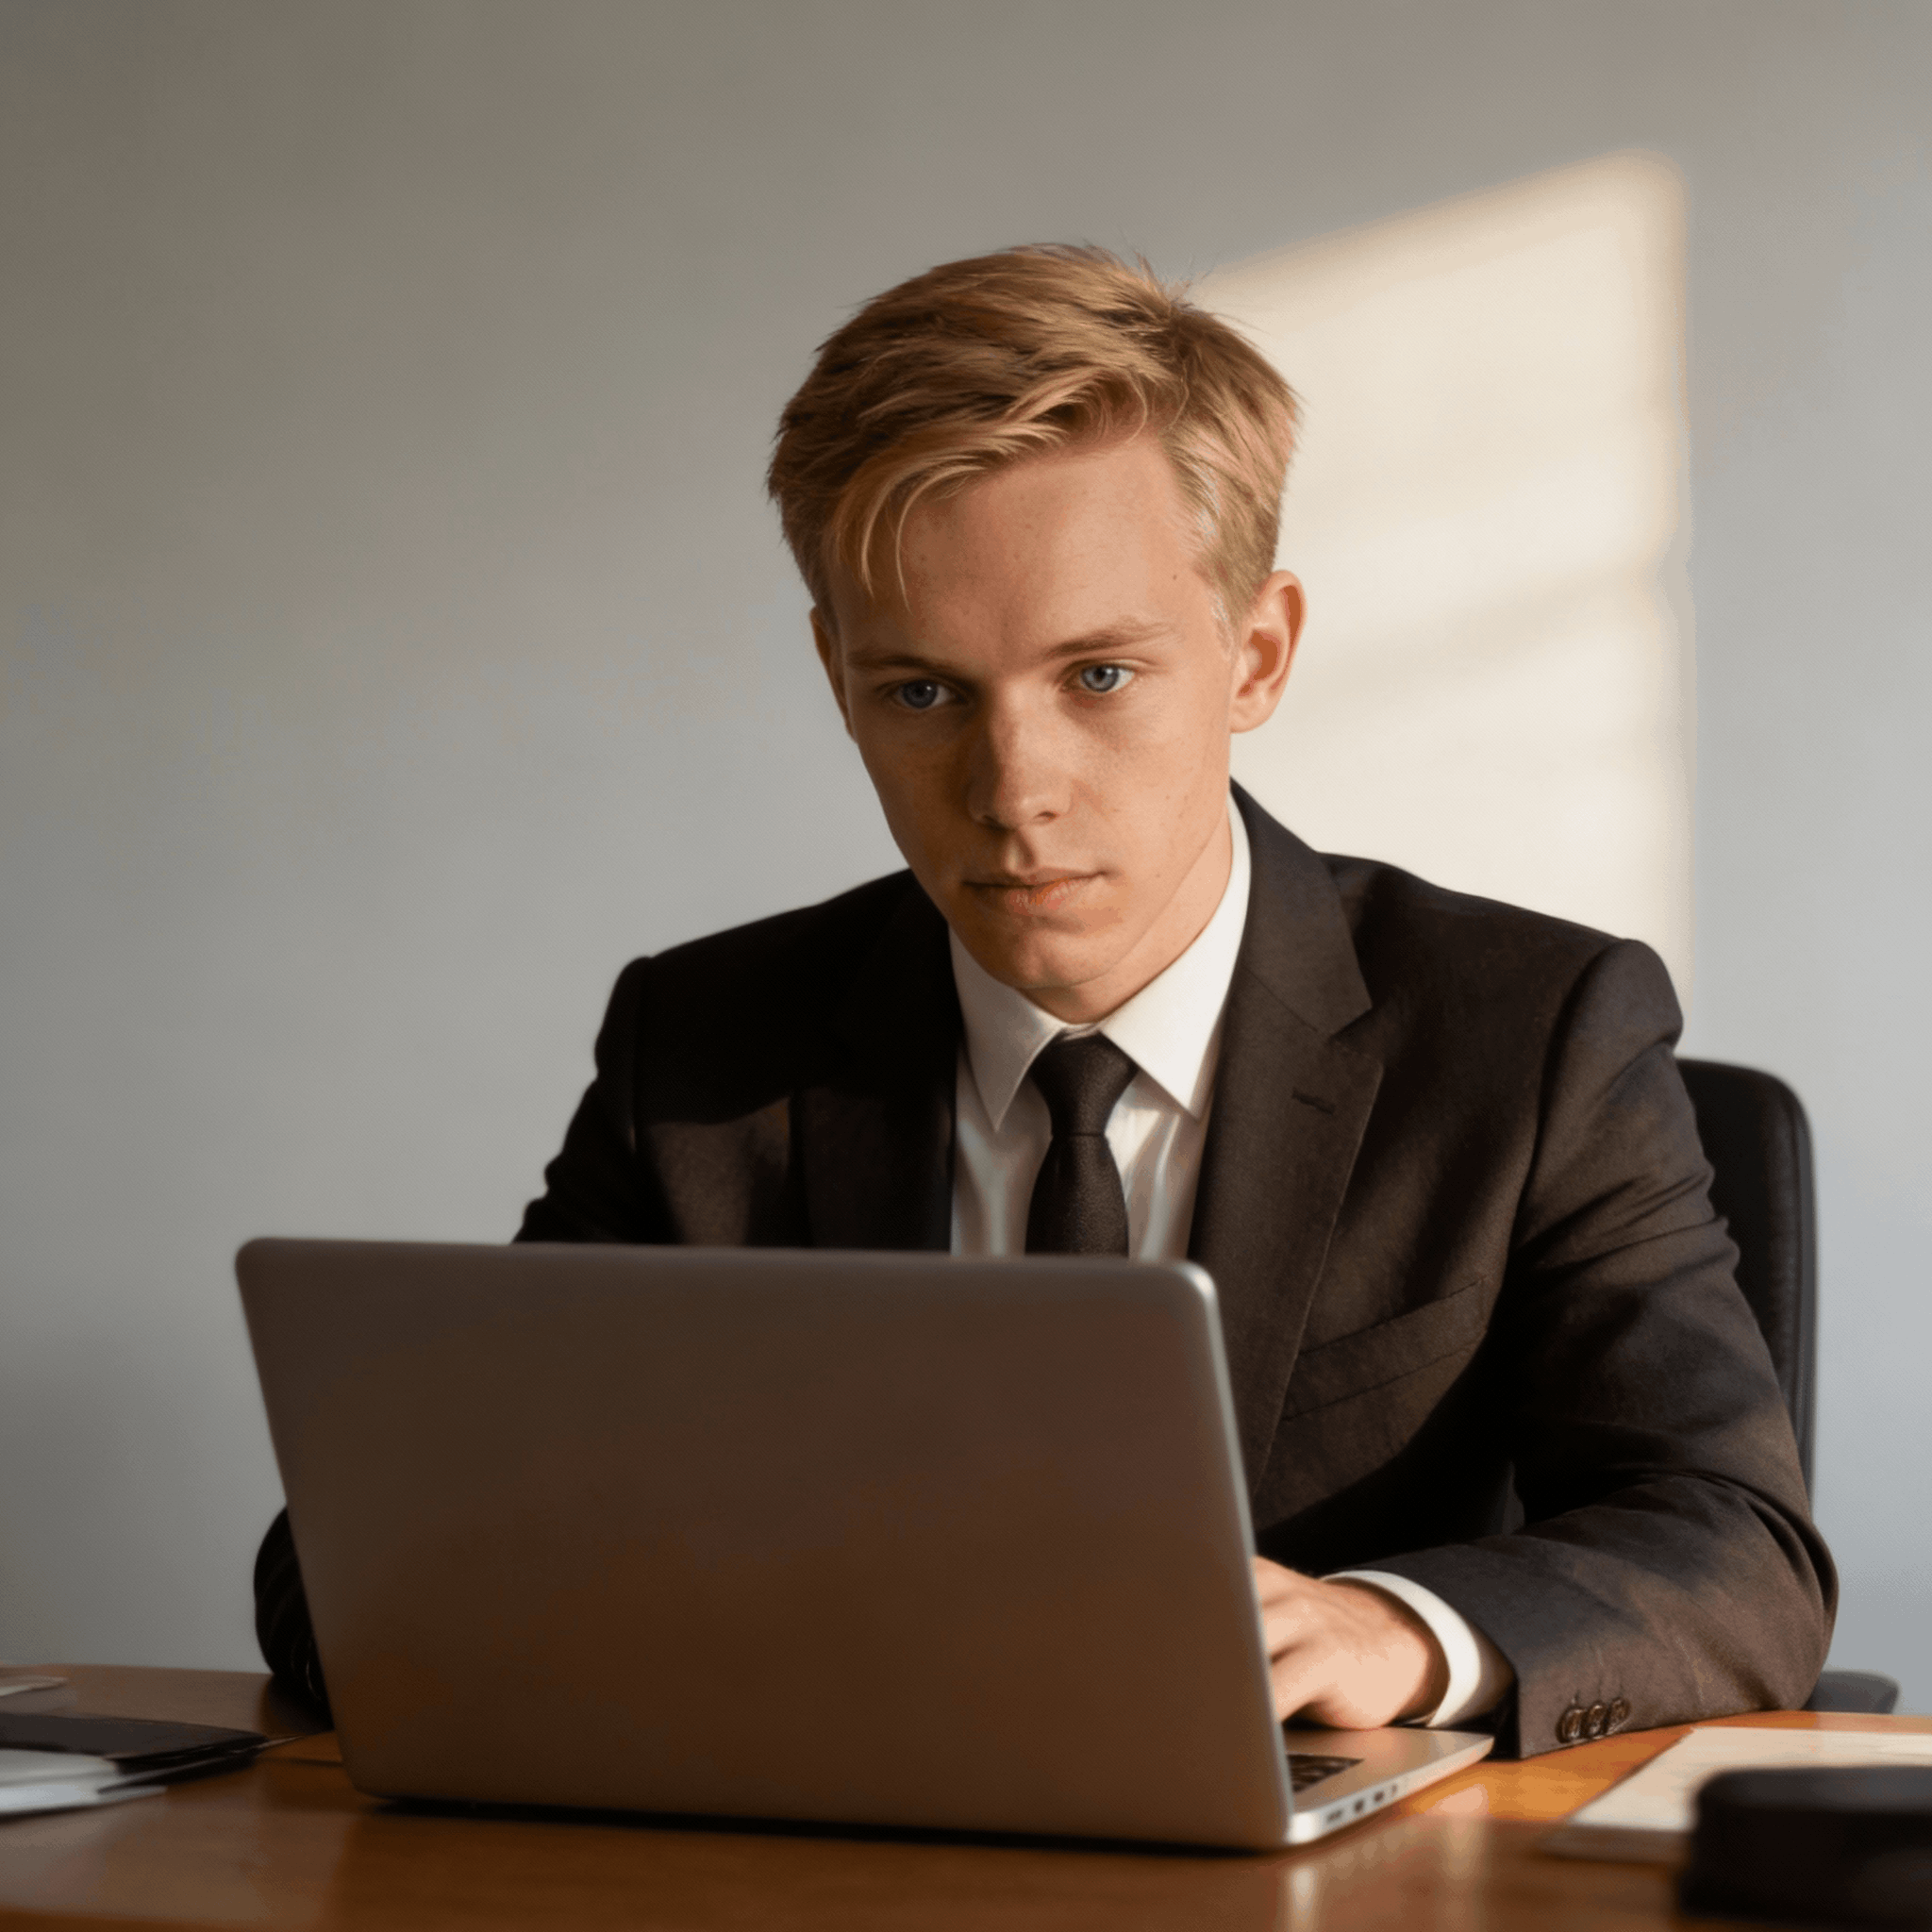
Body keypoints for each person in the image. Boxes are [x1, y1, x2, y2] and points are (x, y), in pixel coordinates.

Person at [255, 244, 1833, 1755]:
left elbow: (1737, 1547)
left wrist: (1392, 1632)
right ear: (839, 682)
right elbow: (362, 1556)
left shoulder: (1535, 1031)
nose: (1014, 792)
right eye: (924, 693)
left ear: (1258, 653)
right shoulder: (705, 1046)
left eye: (1098, 677)